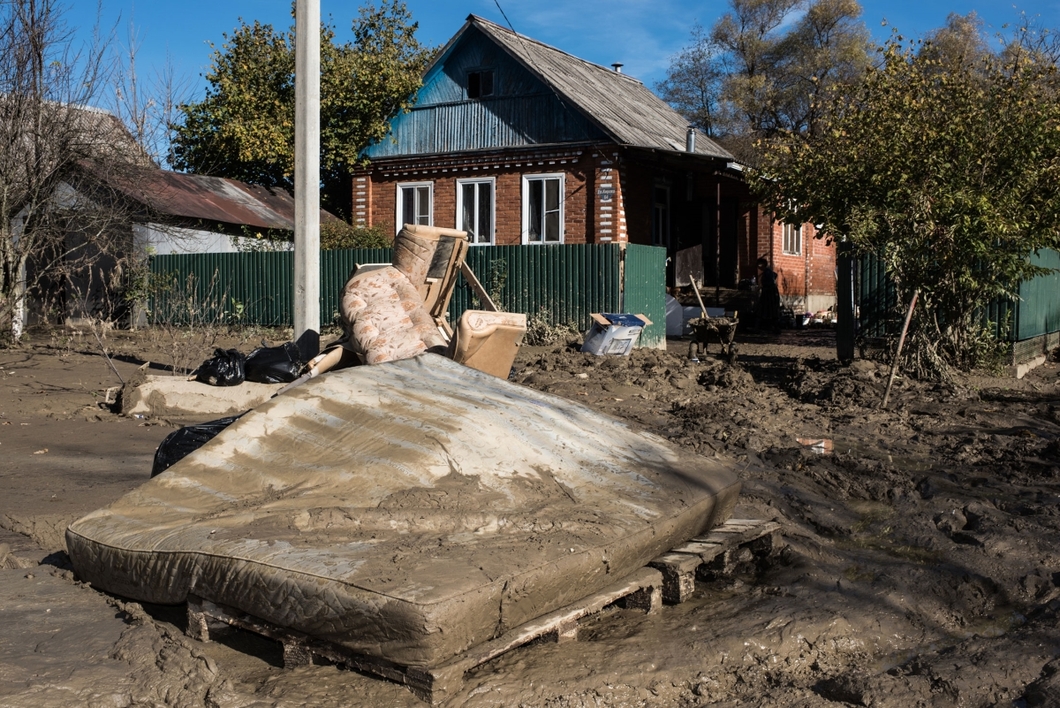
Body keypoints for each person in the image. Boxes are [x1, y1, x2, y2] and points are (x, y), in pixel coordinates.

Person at [756, 257, 781, 332]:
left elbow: (770, 281)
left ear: (763, 264)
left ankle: (774, 328)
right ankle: (773, 327)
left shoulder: (767, 272)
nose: (758, 267)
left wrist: (763, 287)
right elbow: (775, 275)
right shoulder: (768, 271)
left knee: (768, 310)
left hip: (769, 294)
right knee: (771, 311)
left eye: (759, 265)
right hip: (770, 293)